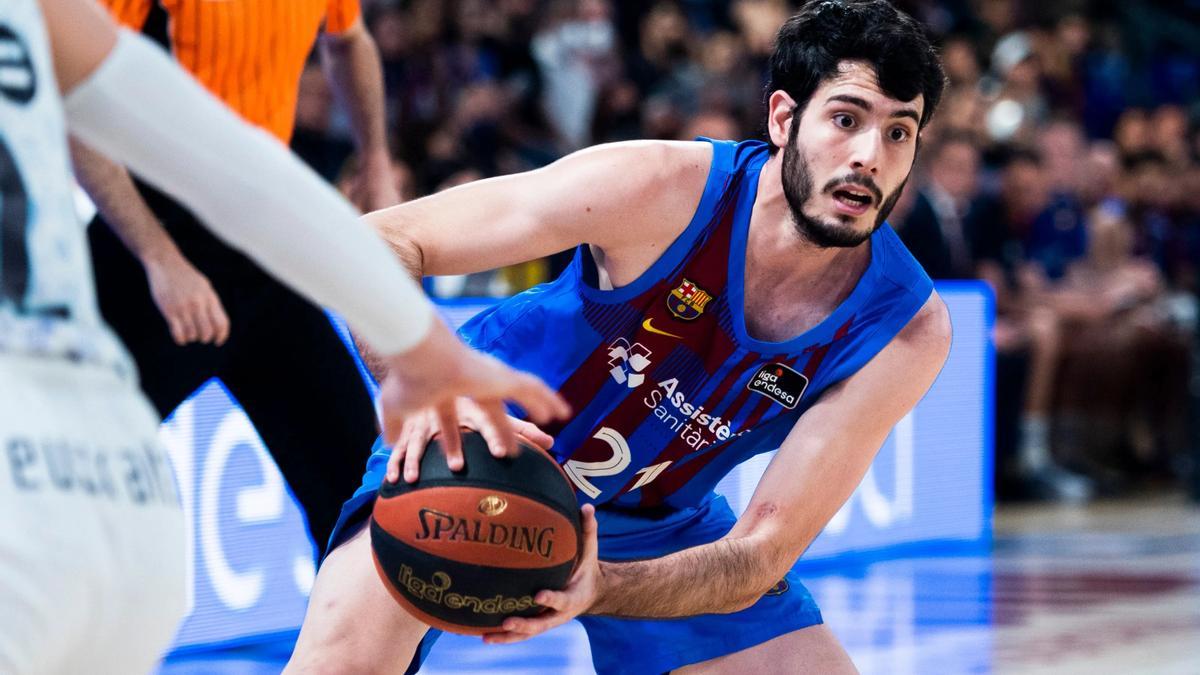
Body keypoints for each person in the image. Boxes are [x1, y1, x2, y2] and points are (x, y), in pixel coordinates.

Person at [289, 1, 950, 672]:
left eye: (900, 132)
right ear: (784, 118)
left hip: (660, 518)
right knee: (337, 663)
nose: (870, 156)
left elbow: (760, 553)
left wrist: (600, 582)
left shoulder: (905, 326)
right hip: (480, 448)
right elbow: (378, 241)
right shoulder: (661, 188)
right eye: (846, 120)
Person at [0, 1, 567, 672]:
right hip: (142, 258)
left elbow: (235, 165)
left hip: (247, 248)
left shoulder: (47, 19)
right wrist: (159, 255)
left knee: (359, 485)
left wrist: (424, 343)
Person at [70, 0, 404, 553]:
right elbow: (76, 104)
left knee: (358, 486)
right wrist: (158, 256)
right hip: (154, 236)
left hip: (262, 239)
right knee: (70, 472)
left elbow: (350, 42)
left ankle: (375, 641)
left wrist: (375, 160)